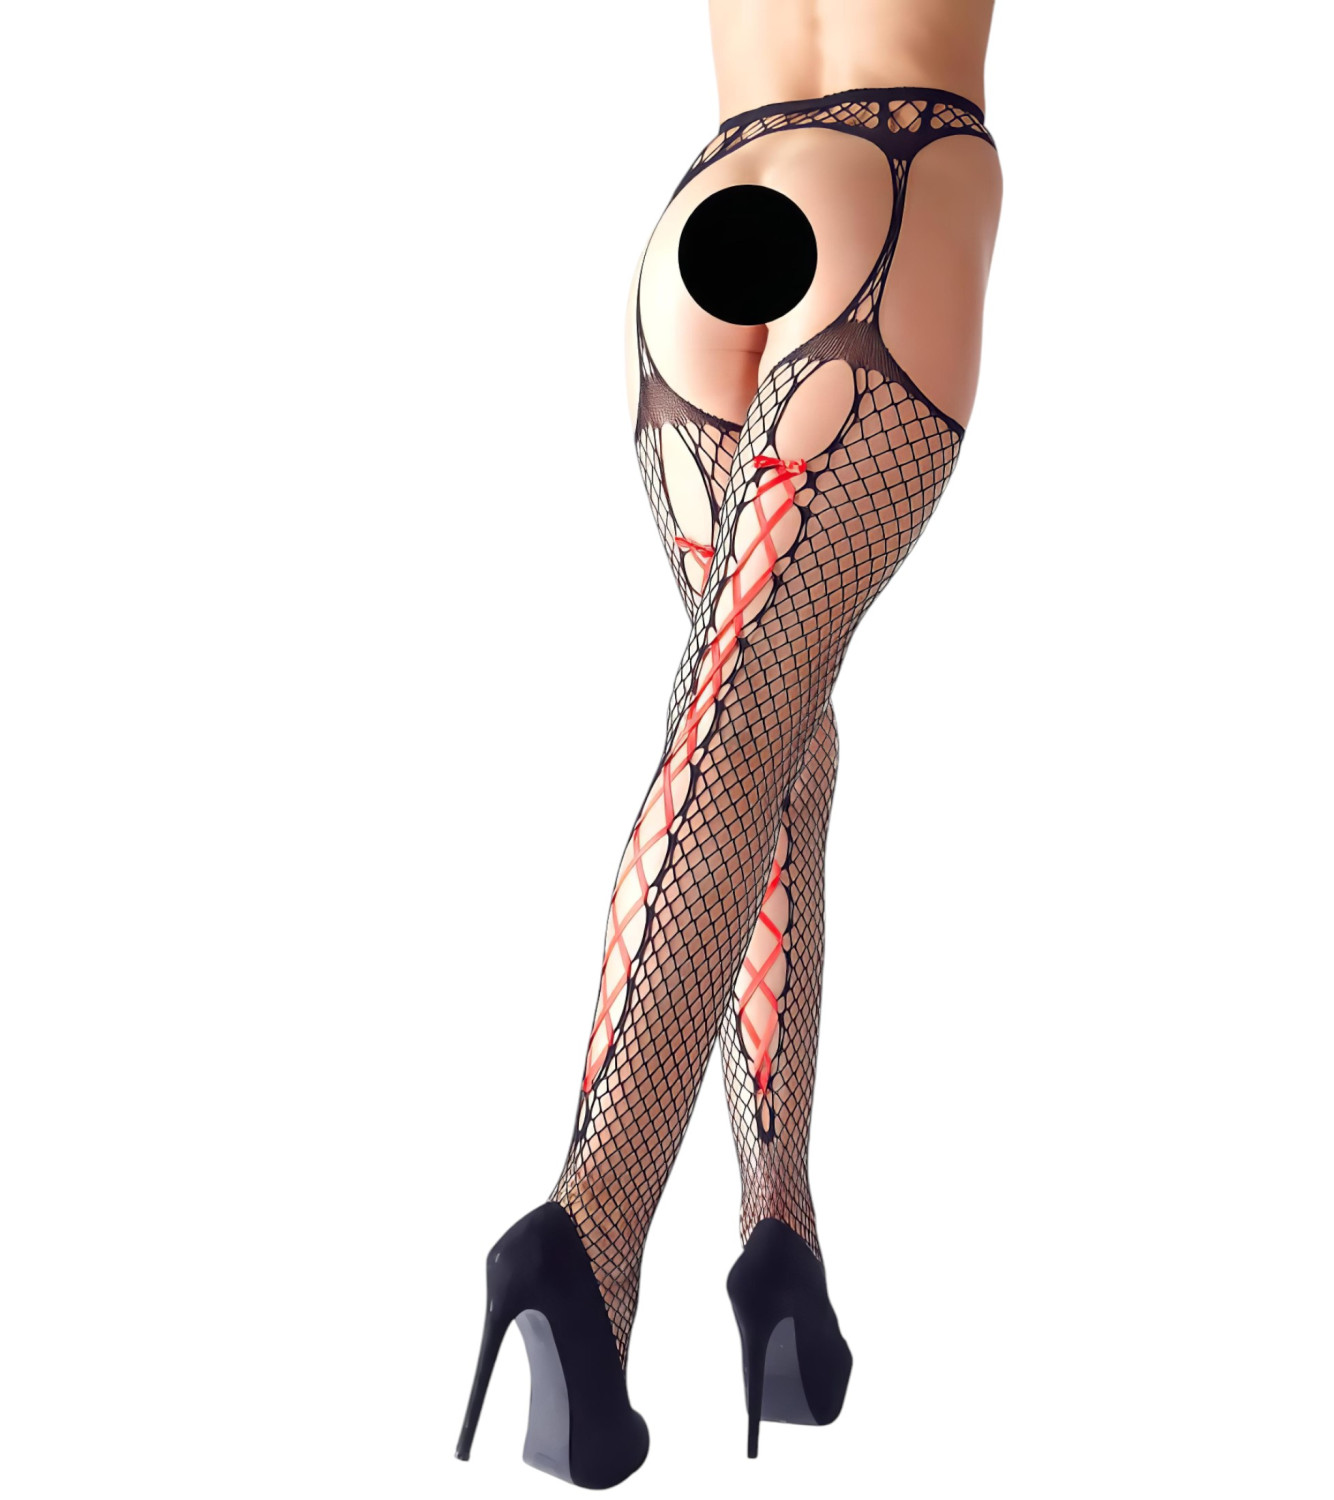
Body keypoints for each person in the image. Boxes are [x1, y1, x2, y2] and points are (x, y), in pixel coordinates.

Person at [457, 1, 1002, 1485]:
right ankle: (589, 1228)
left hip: (709, 204)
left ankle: (781, 1241)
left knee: (768, 725)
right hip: (890, 176)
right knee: (749, 712)